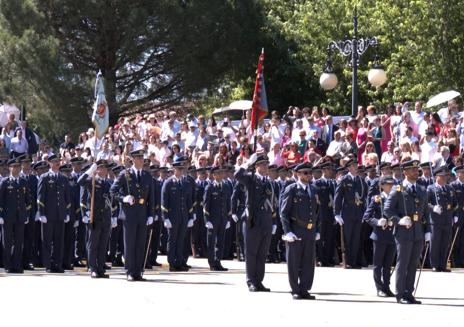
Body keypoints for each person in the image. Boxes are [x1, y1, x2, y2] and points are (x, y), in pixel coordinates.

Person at [384, 159, 431, 304]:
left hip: (417, 231)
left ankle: (408, 292)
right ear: (404, 172)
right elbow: (387, 209)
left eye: (417, 170)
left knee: (413, 263)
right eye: (412, 169)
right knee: (403, 262)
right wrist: (399, 220)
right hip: (403, 232)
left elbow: (425, 212)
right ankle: (400, 294)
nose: (416, 172)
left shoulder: (422, 189)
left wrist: (428, 230)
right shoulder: (398, 189)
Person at [110, 149, 155, 281]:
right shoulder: (125, 174)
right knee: (130, 244)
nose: (141, 160)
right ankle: (130, 271)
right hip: (129, 214)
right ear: (133, 160)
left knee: (141, 244)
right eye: (139, 158)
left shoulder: (147, 176)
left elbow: (151, 196)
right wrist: (124, 198)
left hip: (142, 213)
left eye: (142, 158)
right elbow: (113, 191)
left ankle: (138, 271)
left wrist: (151, 214)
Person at [235, 154, 276, 292]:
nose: (265, 167)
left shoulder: (269, 182)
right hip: (252, 220)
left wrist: (273, 220)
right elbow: (237, 175)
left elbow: (273, 202)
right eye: (262, 164)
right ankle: (251, 281)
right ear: (256, 166)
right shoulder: (251, 179)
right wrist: (247, 163)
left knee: (262, 253)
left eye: (266, 164)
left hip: (266, 221)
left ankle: (259, 281)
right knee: (251, 252)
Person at [280, 162, 320, 300]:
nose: (309, 175)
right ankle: (295, 289)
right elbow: (284, 213)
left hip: (310, 230)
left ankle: (305, 289)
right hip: (296, 229)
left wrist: (317, 229)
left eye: (310, 173)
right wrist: (288, 231)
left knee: (308, 262)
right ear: (298, 174)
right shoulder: (291, 189)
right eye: (305, 173)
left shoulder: (314, 189)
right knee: (294, 262)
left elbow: (316, 212)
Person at [78, 159, 113, 278]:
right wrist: (89, 171)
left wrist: (113, 216)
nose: (103, 170)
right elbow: (80, 181)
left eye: (105, 168)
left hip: (106, 217)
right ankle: (92, 268)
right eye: (100, 167)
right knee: (93, 244)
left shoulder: (108, 183)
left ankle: (100, 268)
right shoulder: (92, 180)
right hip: (95, 216)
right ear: (97, 169)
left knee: (103, 244)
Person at [37, 154, 71, 273]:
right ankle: (48, 265)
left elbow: (67, 198)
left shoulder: (63, 178)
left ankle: (58, 264)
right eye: (55, 161)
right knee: (47, 240)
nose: (57, 163)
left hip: (60, 215)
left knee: (59, 241)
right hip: (48, 215)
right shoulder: (45, 177)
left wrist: (67, 212)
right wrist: (41, 213)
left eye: (58, 161)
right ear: (50, 163)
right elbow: (40, 197)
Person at [363, 176, 396, 297]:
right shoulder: (377, 199)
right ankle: (379, 288)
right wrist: (377, 222)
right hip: (379, 235)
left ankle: (387, 287)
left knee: (388, 265)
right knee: (378, 264)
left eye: (392, 184)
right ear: (382, 186)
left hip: (392, 234)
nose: (391, 186)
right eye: (388, 184)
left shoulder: (395, 199)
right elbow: (367, 216)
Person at [160, 156, 194, 272]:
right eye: (178, 169)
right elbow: (164, 202)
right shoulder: (168, 183)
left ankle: (180, 262)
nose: (180, 171)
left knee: (181, 240)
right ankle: (172, 262)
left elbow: (189, 201)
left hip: (183, 217)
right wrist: (165, 218)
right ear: (174, 169)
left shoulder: (185, 183)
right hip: (172, 217)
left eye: (182, 169)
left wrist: (190, 217)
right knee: (172, 240)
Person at [334, 158, 367, 269]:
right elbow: (338, 197)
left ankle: (354, 261)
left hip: (358, 211)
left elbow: (365, 197)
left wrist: (365, 213)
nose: (355, 167)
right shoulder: (344, 179)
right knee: (347, 237)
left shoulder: (361, 181)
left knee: (356, 237)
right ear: (348, 168)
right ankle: (346, 261)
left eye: (356, 165)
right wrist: (337, 213)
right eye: (353, 166)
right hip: (347, 211)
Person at [0, 157, 31, 273]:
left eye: (18, 166)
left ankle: (17, 265)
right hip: (7, 217)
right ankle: (8, 265)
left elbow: (28, 200)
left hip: (20, 216)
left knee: (19, 242)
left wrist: (27, 213)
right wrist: (0, 215)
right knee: (7, 242)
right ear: (9, 168)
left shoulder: (23, 182)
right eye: (14, 166)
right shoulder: (5, 182)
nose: (16, 168)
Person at [427, 166, 456, 272]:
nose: (444, 178)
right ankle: (434, 264)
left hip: (447, 220)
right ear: (436, 177)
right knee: (435, 243)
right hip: (436, 220)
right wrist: (433, 208)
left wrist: (454, 214)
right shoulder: (431, 188)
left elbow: (454, 203)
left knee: (445, 243)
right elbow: (426, 203)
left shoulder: (449, 188)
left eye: (446, 176)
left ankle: (443, 264)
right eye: (442, 176)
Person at [203, 166, 231, 271]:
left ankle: (218, 261)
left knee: (220, 242)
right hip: (212, 219)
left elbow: (228, 204)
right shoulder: (209, 187)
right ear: (213, 175)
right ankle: (212, 263)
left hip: (222, 219)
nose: (220, 175)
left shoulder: (226, 187)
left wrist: (228, 218)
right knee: (211, 242)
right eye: (217, 174)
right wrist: (207, 220)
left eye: (221, 173)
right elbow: (206, 205)